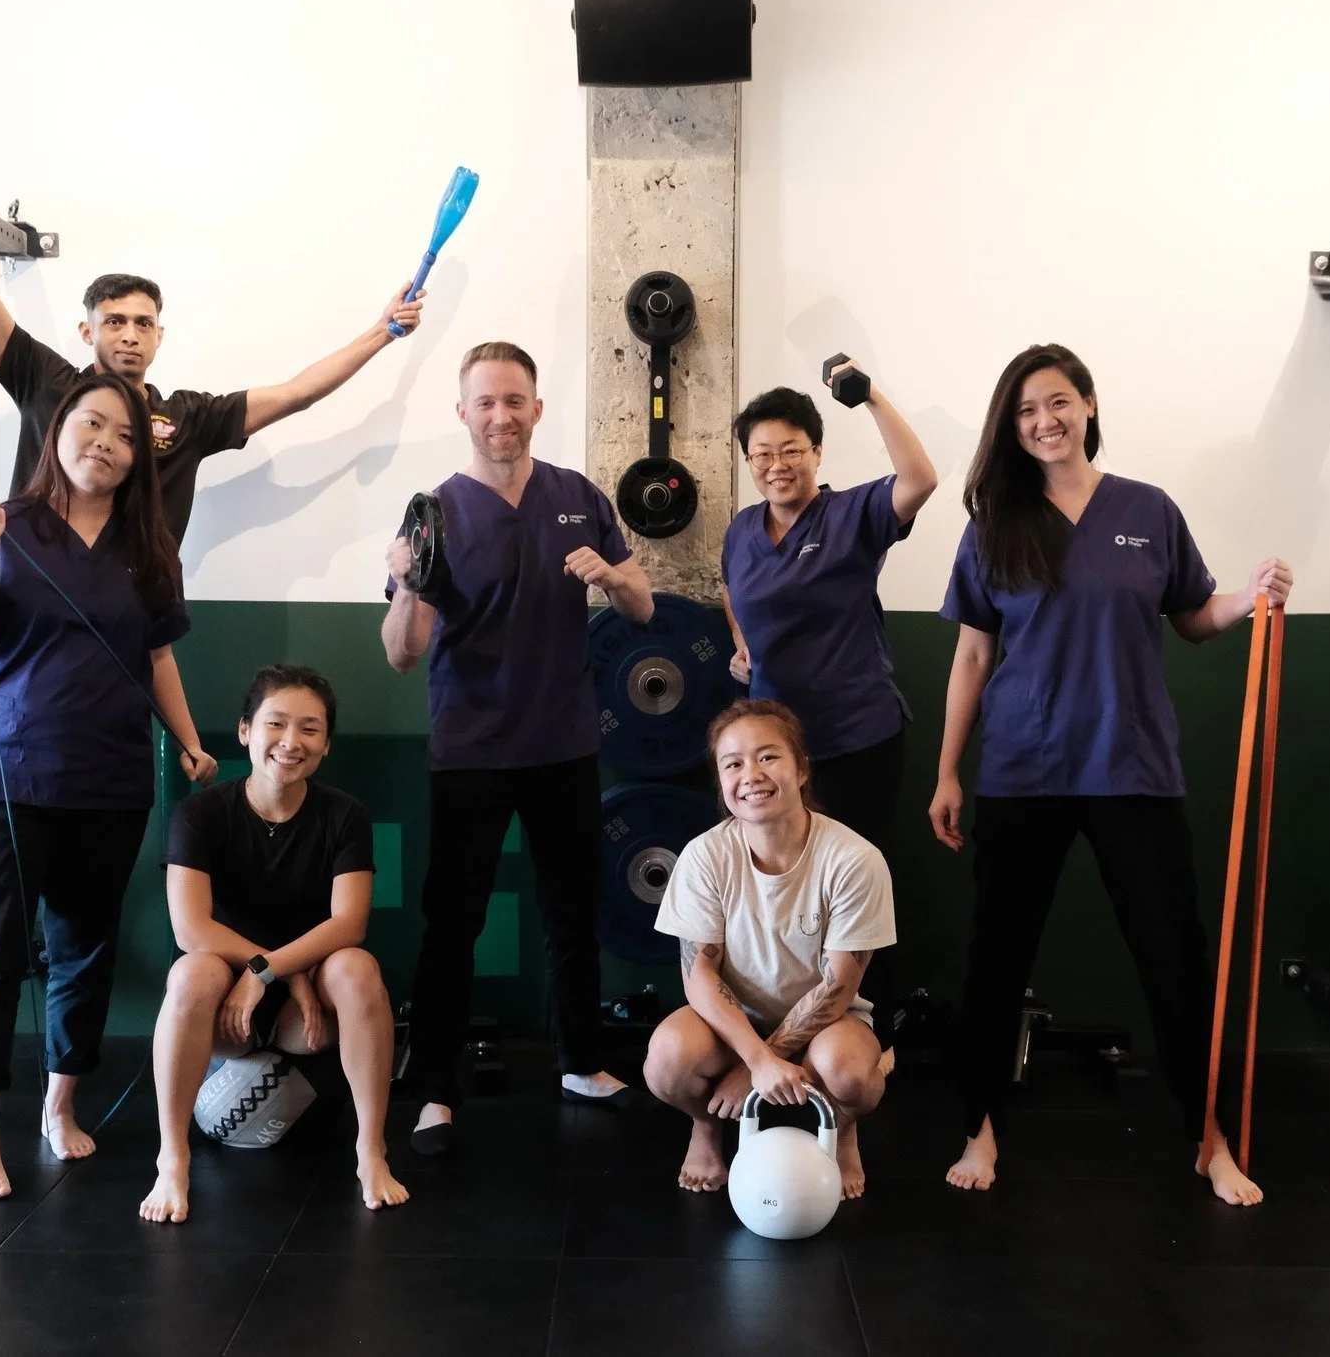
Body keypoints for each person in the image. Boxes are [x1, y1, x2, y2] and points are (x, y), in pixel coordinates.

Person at [928, 343, 1291, 1207]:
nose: (1043, 422)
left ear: (1088, 404)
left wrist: (1248, 597)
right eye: (1024, 412)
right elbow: (973, 654)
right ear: (1010, 428)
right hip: (1023, 766)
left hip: (1133, 766)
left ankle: (1212, 1139)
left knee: (1174, 958)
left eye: (1057, 403)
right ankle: (980, 1125)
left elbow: (1194, 616)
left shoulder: (1148, 510)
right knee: (996, 957)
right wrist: (947, 771)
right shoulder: (995, 523)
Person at [0, 373, 220, 1202]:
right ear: (58, 431)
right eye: (91, 424)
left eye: (125, 436)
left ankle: (61, 1105)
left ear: (137, 457)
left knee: (83, 952)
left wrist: (192, 745)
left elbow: (157, 656)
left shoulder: (148, 547)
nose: (106, 443)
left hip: (108, 780)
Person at [0, 104, 425, 542]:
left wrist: (383, 330)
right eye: (114, 322)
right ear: (88, 332)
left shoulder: (186, 417)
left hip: (134, 619)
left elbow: (300, 392)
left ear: (160, 334)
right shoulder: (46, 381)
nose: (130, 334)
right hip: (37, 603)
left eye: (144, 323)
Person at [383, 341, 655, 1155]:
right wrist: (407, 582)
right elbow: (401, 651)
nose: (502, 415)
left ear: (537, 407)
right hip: (470, 749)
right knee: (452, 923)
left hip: (564, 744)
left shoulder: (579, 496)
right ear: (463, 413)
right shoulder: (432, 511)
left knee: (573, 914)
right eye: (486, 402)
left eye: (515, 400)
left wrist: (610, 574)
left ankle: (579, 1061)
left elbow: (642, 607)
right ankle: (433, 1086)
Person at [720, 365, 937, 1058]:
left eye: (791, 449)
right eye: (762, 454)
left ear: (816, 452)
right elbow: (733, 590)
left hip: (856, 736)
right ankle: (786, 1028)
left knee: (857, 883)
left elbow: (921, 480)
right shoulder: (742, 529)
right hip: (777, 751)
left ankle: (868, 1029)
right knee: (784, 886)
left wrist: (869, 394)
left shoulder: (851, 515)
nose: (777, 465)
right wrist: (742, 647)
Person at [141, 664, 406, 1222]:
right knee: (192, 971)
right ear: (244, 731)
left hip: (302, 1017)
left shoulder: (344, 815)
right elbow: (192, 929)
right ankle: (173, 1160)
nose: (291, 743)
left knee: (356, 967)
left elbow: (347, 925)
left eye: (310, 730)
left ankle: (371, 1150)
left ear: (326, 744)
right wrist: (277, 973)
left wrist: (273, 976)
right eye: (276, 724)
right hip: (227, 1009)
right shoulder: (200, 814)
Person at [644, 700, 895, 1199]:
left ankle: (843, 1131)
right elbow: (699, 976)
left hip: (829, 1023)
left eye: (768, 757)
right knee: (666, 1062)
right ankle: (707, 1126)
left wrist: (757, 1066)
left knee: (851, 1074)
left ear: (801, 768)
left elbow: (839, 985)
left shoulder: (854, 859)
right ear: (720, 783)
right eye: (732, 763)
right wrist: (755, 1058)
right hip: (733, 1025)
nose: (750, 775)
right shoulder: (705, 855)